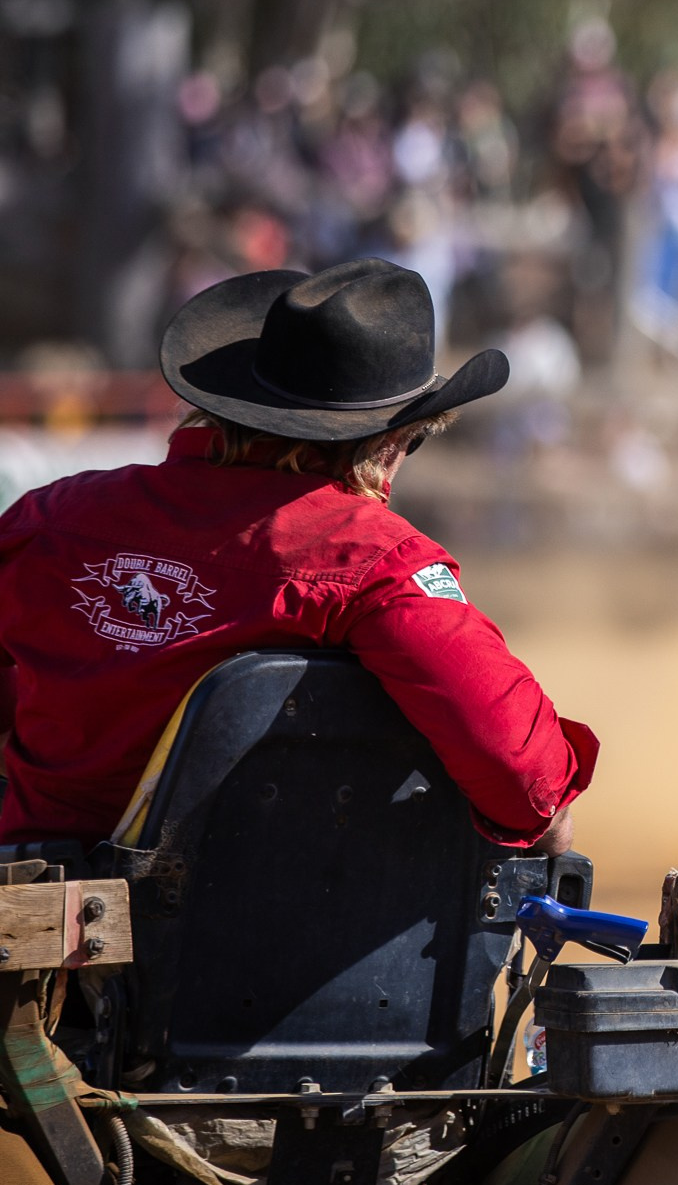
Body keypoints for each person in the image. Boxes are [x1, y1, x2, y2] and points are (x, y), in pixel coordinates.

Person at [0, 259, 596, 854]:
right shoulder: (375, 561)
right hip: (259, 905)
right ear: (388, 443)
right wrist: (555, 836)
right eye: (411, 440)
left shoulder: (49, 518)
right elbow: (522, 778)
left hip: (36, 895)